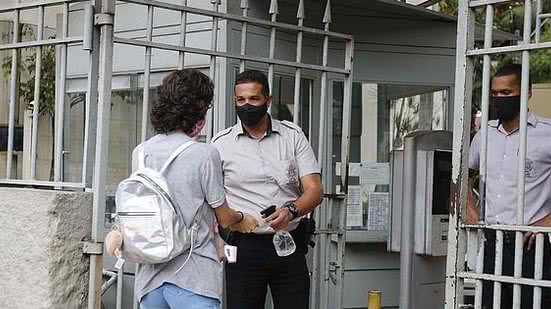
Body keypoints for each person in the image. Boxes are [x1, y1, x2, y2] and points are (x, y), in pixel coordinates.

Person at [105, 69, 258, 309]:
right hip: (194, 277)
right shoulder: (204, 154)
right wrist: (243, 218)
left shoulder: (142, 152)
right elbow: (225, 217)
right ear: (197, 111)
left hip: (150, 278)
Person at [212, 70, 324, 309]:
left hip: (288, 242)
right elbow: (210, 199)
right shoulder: (220, 144)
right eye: (240, 100)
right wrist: (216, 236)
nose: (246, 105)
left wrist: (291, 211)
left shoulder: (292, 137)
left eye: (254, 99)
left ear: (268, 100)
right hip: (242, 245)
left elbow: (314, 190)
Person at [468, 64, 551, 308]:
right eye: (494, 94)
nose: (498, 99)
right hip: (491, 244)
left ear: (527, 92)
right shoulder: (484, 135)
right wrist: (471, 212)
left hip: (531, 248)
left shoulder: (547, 134)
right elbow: (460, 177)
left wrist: (547, 223)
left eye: (505, 93)